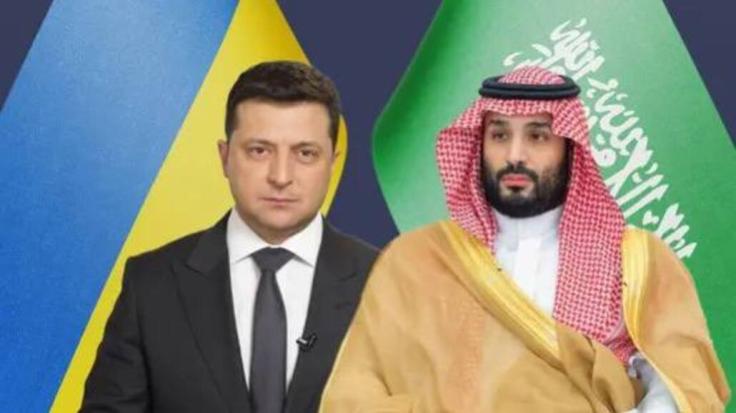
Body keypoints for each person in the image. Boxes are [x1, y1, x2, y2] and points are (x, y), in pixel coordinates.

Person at [319, 66, 729, 412]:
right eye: (499, 135)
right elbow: (357, 389)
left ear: (569, 148)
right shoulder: (416, 259)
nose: (515, 155)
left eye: (537, 136)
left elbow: (683, 379)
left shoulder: (637, 259)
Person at [82, 61, 378, 413]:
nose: (281, 176)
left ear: (332, 162)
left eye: (305, 153)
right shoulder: (151, 283)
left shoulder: (386, 282)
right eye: (259, 150)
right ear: (225, 158)